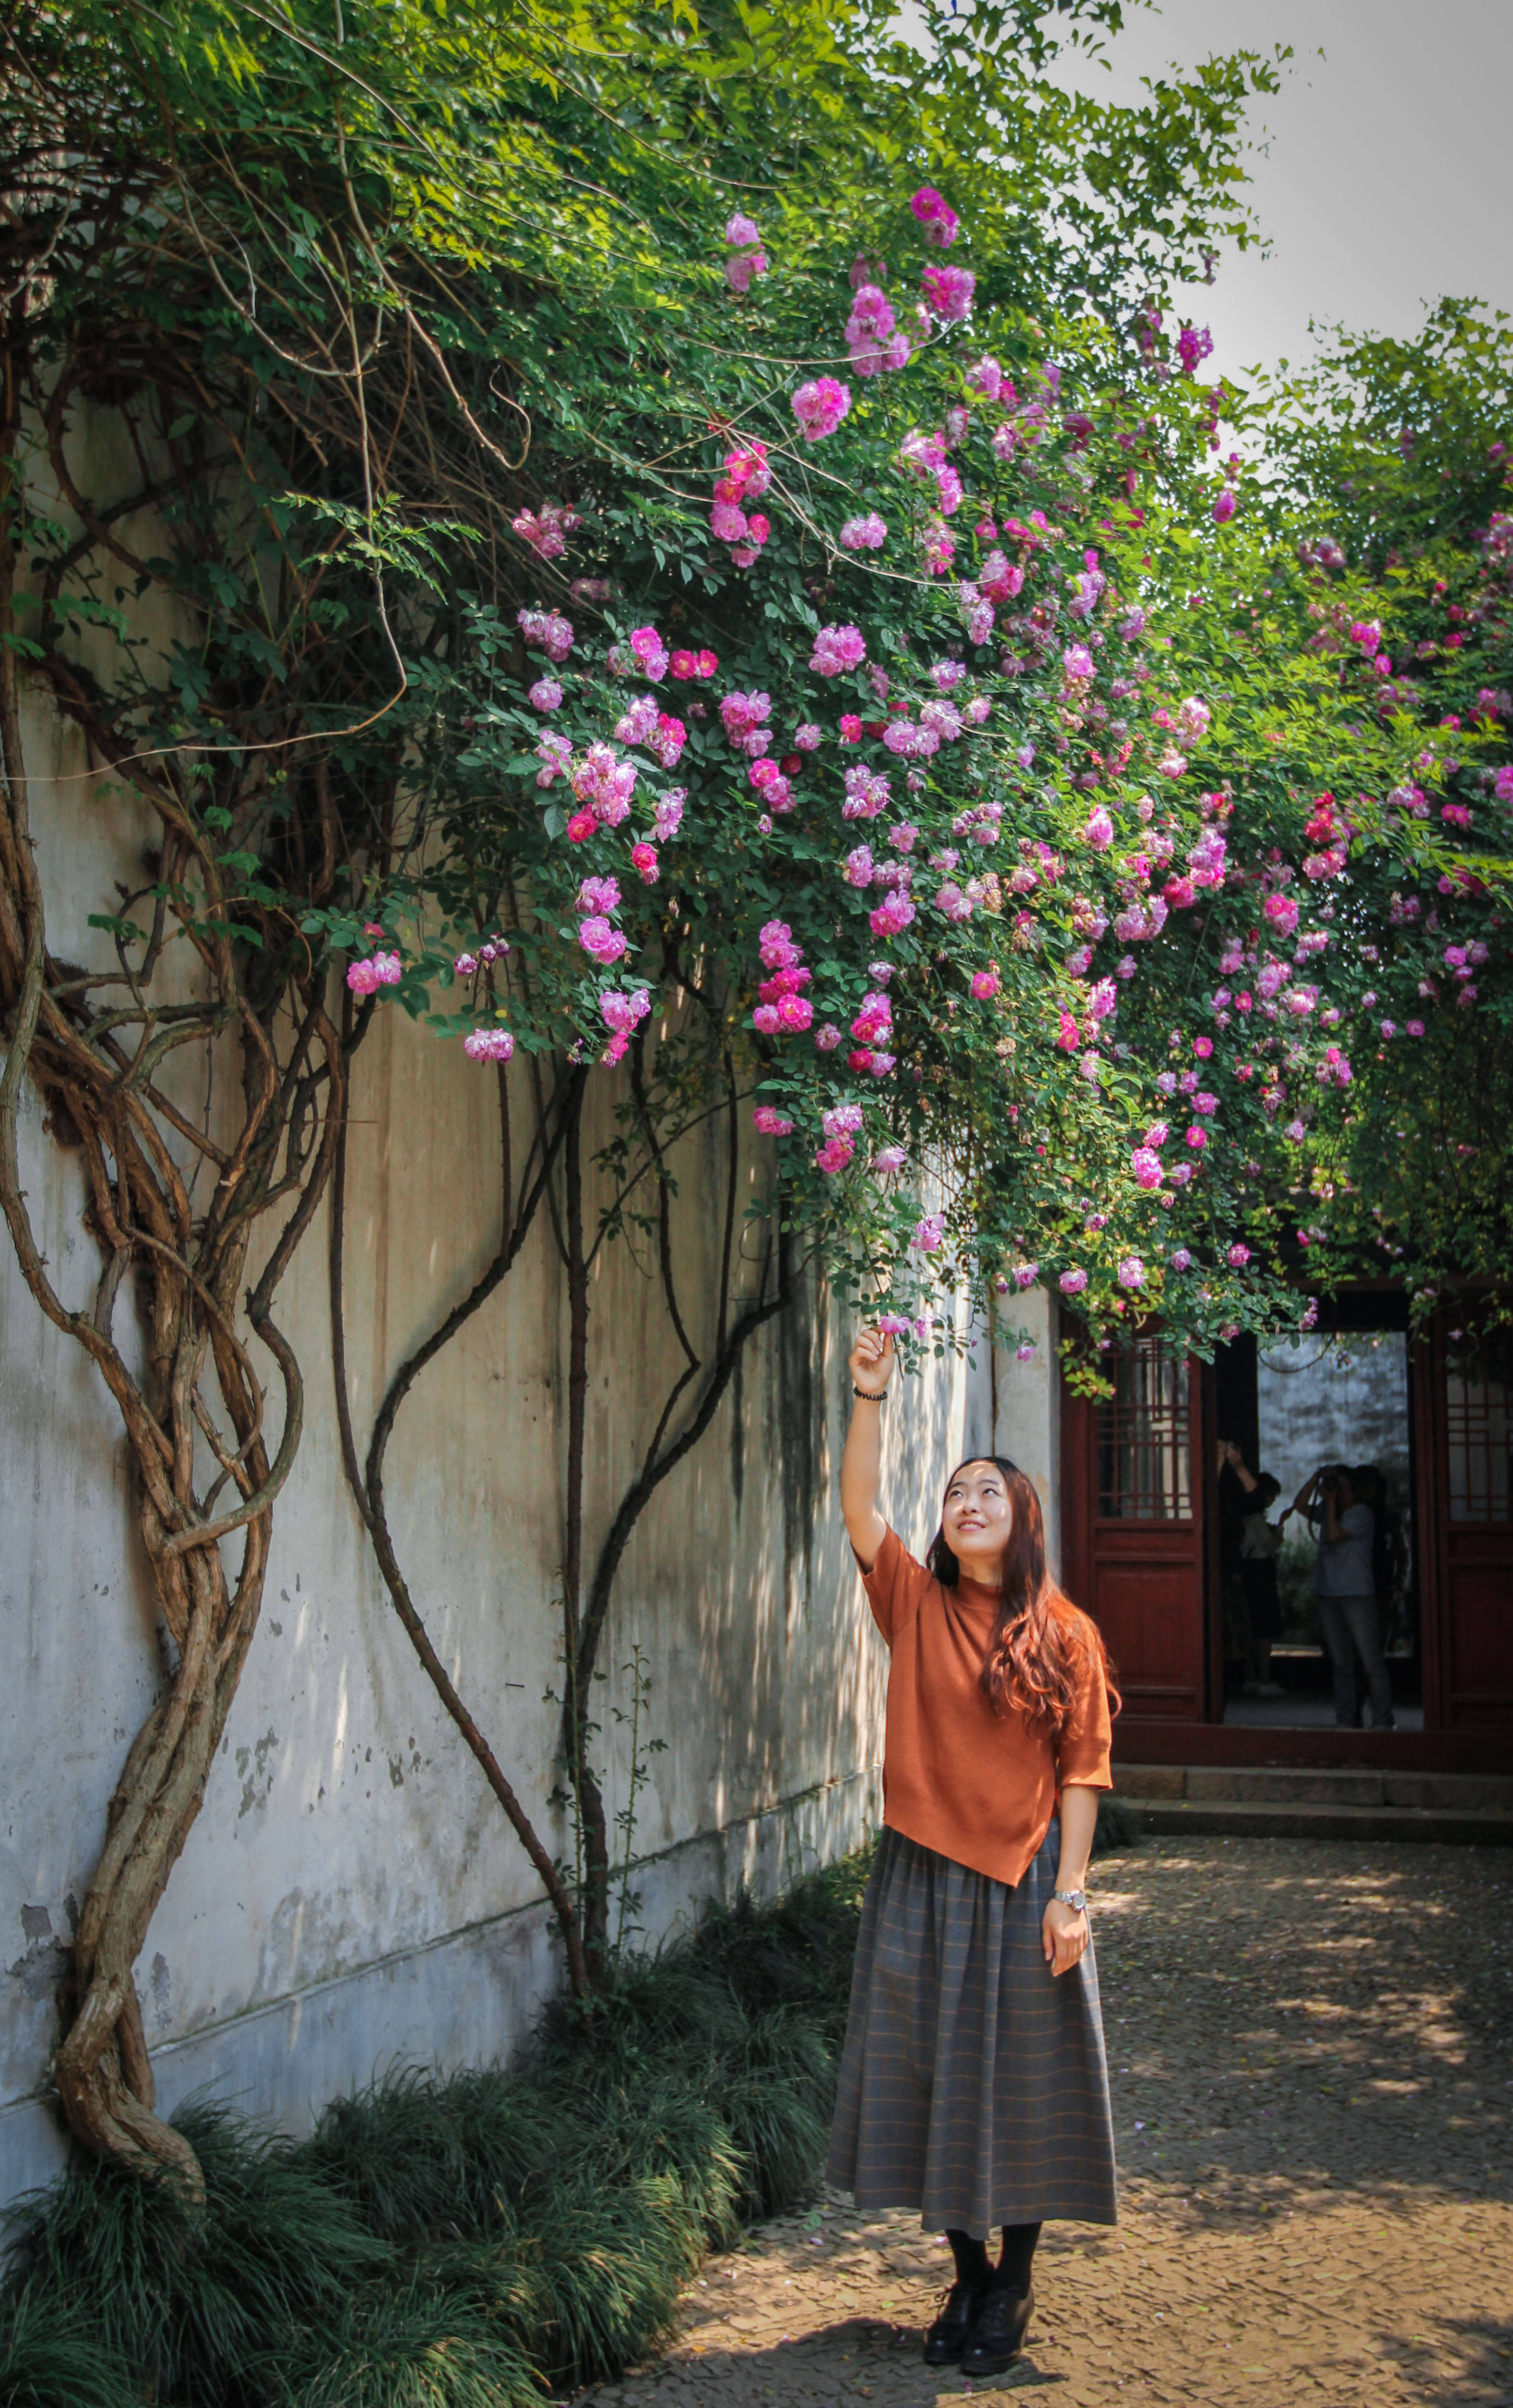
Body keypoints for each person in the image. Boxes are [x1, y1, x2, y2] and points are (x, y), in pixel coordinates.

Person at [826, 1324, 1120, 2379]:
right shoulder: (913, 1602)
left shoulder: (1066, 1633)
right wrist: (870, 1398)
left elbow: (1083, 1769)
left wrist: (1072, 1896)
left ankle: (1015, 2280)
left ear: (1021, 1518)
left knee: (1024, 2080)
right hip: (918, 1871)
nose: (967, 1504)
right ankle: (966, 2269)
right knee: (924, 2075)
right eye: (956, 1494)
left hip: (1027, 1877)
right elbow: (860, 1510)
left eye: (988, 1491)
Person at [1292, 1463, 1396, 1729]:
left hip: (1356, 1595)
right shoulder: (1330, 1511)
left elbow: (1337, 1535)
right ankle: (1345, 1719)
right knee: (1341, 1663)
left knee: (1371, 1661)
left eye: (1341, 1486)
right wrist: (1315, 1479)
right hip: (1328, 1592)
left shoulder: (1362, 1513)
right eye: (1335, 1485)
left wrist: (1330, 1503)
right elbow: (1299, 1505)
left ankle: (1383, 1720)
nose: (1336, 1490)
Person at [1219, 1442, 1287, 1696]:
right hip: (1259, 1572)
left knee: (1249, 1626)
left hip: (1246, 1572)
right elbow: (1269, 1547)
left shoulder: (1240, 1517)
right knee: (1263, 1628)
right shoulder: (1256, 1518)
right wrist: (1280, 1528)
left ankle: (1251, 1677)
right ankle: (1264, 1678)